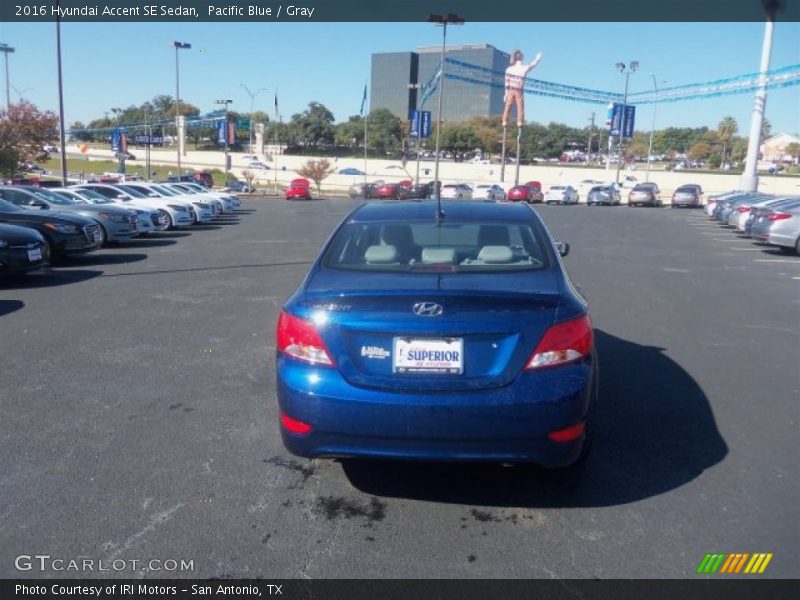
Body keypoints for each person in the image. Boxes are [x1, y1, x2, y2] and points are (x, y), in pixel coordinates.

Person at [502, 50, 543, 128]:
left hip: (511, 89)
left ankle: (505, 121)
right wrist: (537, 59)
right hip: (519, 89)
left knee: (508, 106)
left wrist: (506, 93)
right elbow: (532, 65)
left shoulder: (509, 69)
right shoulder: (524, 68)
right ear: (522, 58)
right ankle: (519, 122)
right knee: (520, 106)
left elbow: (507, 82)